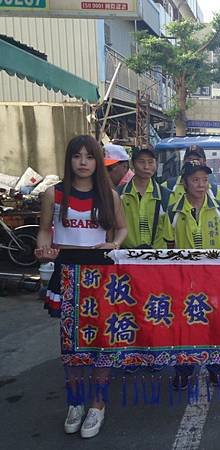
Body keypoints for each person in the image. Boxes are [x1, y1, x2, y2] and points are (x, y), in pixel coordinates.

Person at [35, 135, 127, 438]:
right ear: (69, 160)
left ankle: (98, 404)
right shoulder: (53, 194)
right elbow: (45, 231)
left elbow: (122, 227)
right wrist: (43, 250)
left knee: (101, 340)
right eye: (78, 156)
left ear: (98, 161)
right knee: (70, 342)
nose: (84, 162)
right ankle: (75, 402)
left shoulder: (109, 195)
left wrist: (113, 242)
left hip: (99, 277)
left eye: (90, 156)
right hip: (66, 276)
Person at [164, 160, 220, 389]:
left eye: (204, 180)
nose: (201, 184)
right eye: (195, 180)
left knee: (216, 324)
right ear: (185, 183)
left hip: (214, 278)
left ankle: (217, 369)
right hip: (185, 280)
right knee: (186, 325)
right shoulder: (174, 211)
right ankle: (183, 370)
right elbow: (169, 246)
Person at [119, 147, 171, 249]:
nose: (146, 167)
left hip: (158, 257)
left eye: (150, 162)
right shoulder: (119, 194)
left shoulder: (166, 195)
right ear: (132, 164)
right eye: (141, 162)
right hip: (127, 256)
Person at [163, 145, 220, 212]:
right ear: (184, 162)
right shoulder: (168, 186)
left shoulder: (211, 189)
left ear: (204, 162)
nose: (193, 162)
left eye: (197, 159)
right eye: (190, 159)